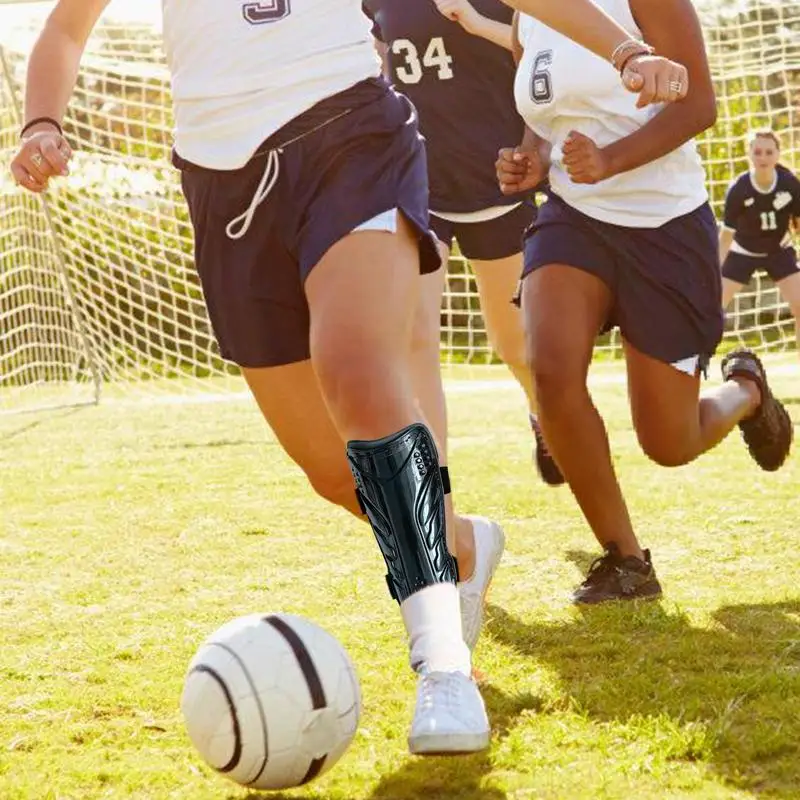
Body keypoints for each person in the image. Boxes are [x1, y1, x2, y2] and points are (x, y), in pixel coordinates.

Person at [11, 0, 687, 754]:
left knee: (360, 375)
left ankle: (444, 668)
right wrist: (42, 123)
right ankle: (458, 543)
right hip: (222, 182)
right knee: (333, 471)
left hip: (349, 134)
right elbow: (66, 28)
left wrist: (626, 50)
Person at [498, 0, 794, 605]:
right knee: (551, 370)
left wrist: (610, 161)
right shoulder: (529, 13)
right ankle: (626, 560)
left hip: (665, 227)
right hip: (573, 216)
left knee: (669, 442)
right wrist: (531, 157)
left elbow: (700, 104)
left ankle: (747, 391)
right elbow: (542, 115)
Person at [363, 0, 564, 485]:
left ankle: (543, 413)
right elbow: (380, 58)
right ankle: (435, 500)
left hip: (496, 178)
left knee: (513, 340)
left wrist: (478, 24)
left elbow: (542, 51)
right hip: (417, 182)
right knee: (414, 339)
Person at [719, 129, 800, 356]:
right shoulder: (738, 189)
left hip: (779, 250)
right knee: (712, 309)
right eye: (757, 152)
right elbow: (726, 236)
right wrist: (713, 268)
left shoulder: (790, 184)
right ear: (749, 155)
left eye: (768, 152)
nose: (763, 157)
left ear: (777, 154)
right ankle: (698, 358)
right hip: (743, 251)